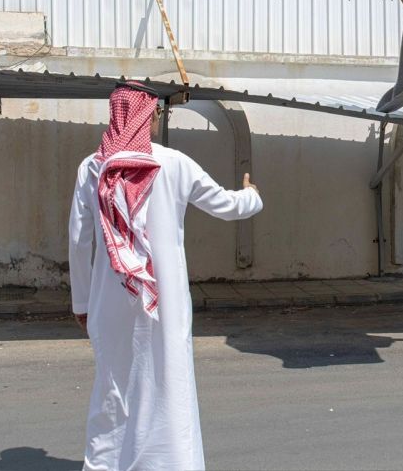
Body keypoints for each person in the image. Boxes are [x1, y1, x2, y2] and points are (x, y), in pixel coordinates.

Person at [68, 82, 263, 471]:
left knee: (114, 386)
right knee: (167, 381)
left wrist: (83, 302)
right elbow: (226, 206)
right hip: (166, 302)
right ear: (151, 115)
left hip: (110, 303)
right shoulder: (174, 163)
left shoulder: (93, 167)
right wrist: (252, 195)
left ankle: (106, 465)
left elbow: (78, 240)